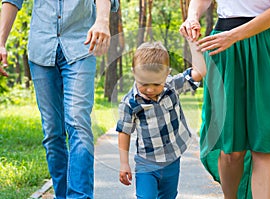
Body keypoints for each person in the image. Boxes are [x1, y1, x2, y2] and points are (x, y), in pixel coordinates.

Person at [179, 0, 270, 198]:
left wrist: (234, 36)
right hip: (224, 48)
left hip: (264, 46)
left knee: (265, 144)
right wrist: (192, 17)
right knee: (230, 149)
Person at [0, 0, 119, 198]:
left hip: (81, 44)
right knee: (52, 132)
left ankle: (79, 196)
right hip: (42, 48)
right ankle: (61, 194)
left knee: (78, 123)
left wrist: (102, 21)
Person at [116, 41, 206, 199]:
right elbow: (124, 132)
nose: (150, 90)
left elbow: (199, 73)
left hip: (172, 160)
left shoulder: (172, 86)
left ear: (166, 74)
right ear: (134, 73)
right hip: (146, 163)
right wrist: (124, 163)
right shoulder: (130, 103)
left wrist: (193, 44)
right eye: (144, 84)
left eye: (156, 84)